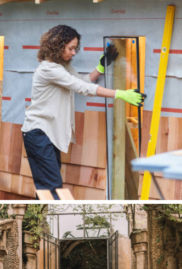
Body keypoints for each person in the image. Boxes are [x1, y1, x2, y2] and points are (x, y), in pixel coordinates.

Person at [22, 25, 146, 199]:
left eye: (75, 48)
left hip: (46, 134)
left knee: (48, 186)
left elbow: (81, 80)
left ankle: (44, 220)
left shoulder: (62, 66)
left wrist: (101, 67)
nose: (74, 53)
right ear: (58, 46)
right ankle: (48, 222)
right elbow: (82, 88)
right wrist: (120, 94)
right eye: (70, 48)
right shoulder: (49, 69)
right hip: (38, 133)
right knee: (51, 187)